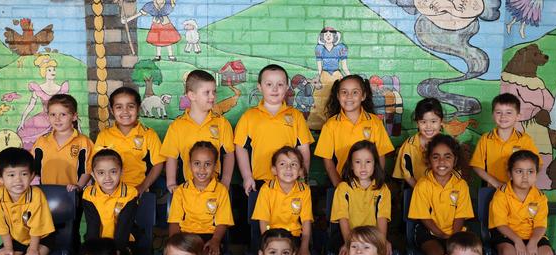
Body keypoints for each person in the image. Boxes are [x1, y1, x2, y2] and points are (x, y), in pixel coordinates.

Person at [408, 134, 474, 255]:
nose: (442, 162)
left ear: (455, 160)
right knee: (436, 254)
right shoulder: (423, 185)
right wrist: (441, 235)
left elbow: (461, 215)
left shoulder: (461, 186)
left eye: (447, 156)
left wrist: (453, 235)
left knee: (462, 254)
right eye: (436, 157)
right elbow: (424, 217)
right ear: (429, 160)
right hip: (427, 231)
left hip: (455, 231)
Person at [234, 64, 314, 194]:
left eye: (280, 84)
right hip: (259, 182)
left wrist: (302, 174)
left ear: (287, 87)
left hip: (289, 181)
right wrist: (247, 176)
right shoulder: (249, 116)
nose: (275, 89)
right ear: (260, 87)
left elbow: (303, 148)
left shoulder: (296, 116)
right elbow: (240, 148)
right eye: (269, 84)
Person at [168, 141, 234, 255]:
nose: (202, 169)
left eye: (207, 164)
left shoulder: (221, 190)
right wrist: (174, 244)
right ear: (189, 165)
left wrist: (216, 240)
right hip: (185, 237)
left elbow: (222, 222)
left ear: (215, 166)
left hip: (209, 237)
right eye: (197, 163)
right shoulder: (181, 191)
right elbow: (174, 222)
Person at [160, 70, 235, 192]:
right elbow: (171, 157)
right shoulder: (177, 126)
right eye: (207, 93)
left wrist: (226, 181)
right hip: (187, 189)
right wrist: (171, 183)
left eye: (214, 92)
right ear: (191, 95)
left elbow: (229, 154)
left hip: (214, 189)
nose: (212, 96)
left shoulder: (221, 123)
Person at [314, 74, 394, 187]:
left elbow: (381, 154)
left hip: (369, 183)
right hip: (344, 182)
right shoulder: (331, 125)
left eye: (355, 92)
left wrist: (376, 181)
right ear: (338, 96)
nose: (349, 96)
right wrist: (338, 184)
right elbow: (327, 159)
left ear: (363, 96)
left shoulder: (375, 122)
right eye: (344, 92)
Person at [330, 140, 395, 255]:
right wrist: (349, 244)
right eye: (358, 162)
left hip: (373, 237)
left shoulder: (382, 190)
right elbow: (343, 219)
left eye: (368, 162)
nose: (363, 167)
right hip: (349, 236)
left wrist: (382, 242)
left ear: (375, 164)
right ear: (351, 165)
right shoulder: (343, 188)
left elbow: (382, 219)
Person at [252, 147, 313, 255]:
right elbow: (263, 221)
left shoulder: (304, 190)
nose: (288, 168)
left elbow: (306, 222)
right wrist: (267, 245)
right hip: (271, 236)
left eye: (294, 164)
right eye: (282, 164)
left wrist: (304, 247)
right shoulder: (267, 189)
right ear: (274, 170)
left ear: (301, 171)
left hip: (294, 237)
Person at [95, 86, 164, 196]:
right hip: (107, 193)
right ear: (112, 110)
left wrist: (142, 187)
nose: (125, 111)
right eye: (119, 107)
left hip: (136, 191)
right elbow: (95, 165)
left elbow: (159, 163)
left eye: (130, 106)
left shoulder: (148, 134)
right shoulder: (104, 135)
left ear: (138, 108)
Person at [82, 149, 137, 255]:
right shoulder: (89, 194)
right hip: (98, 243)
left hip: (124, 243)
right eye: (101, 173)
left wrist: (116, 254)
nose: (107, 178)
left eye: (113, 172)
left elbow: (124, 227)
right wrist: (93, 254)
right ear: (94, 175)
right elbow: (93, 226)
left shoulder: (130, 193)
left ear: (121, 172)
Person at [470, 93, 539, 188]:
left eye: (509, 112)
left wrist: (523, 182)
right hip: (493, 189)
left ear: (518, 116)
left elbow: (536, 165)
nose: (503, 116)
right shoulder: (485, 139)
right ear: (492, 115)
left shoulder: (525, 140)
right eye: (498, 112)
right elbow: (476, 166)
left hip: (518, 191)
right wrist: (496, 183)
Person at [32, 93, 93, 191]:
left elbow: (88, 169)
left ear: (74, 117)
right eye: (53, 114)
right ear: (48, 116)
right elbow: (32, 168)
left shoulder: (84, 142)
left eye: (63, 114)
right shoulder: (41, 141)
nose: (57, 119)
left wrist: (78, 186)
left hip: (72, 194)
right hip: (46, 193)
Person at [18, 54, 70, 150]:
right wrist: (22, 120)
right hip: (43, 120)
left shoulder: (61, 88)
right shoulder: (38, 88)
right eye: (49, 70)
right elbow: (31, 106)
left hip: (58, 119)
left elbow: (69, 107)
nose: (52, 72)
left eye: (54, 69)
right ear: (44, 72)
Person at [393, 97, 444, 187]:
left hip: (443, 192)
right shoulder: (409, 145)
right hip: (418, 191)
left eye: (433, 121)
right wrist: (420, 191)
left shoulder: (448, 145)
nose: (428, 126)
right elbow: (407, 174)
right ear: (417, 123)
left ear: (441, 121)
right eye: (423, 122)